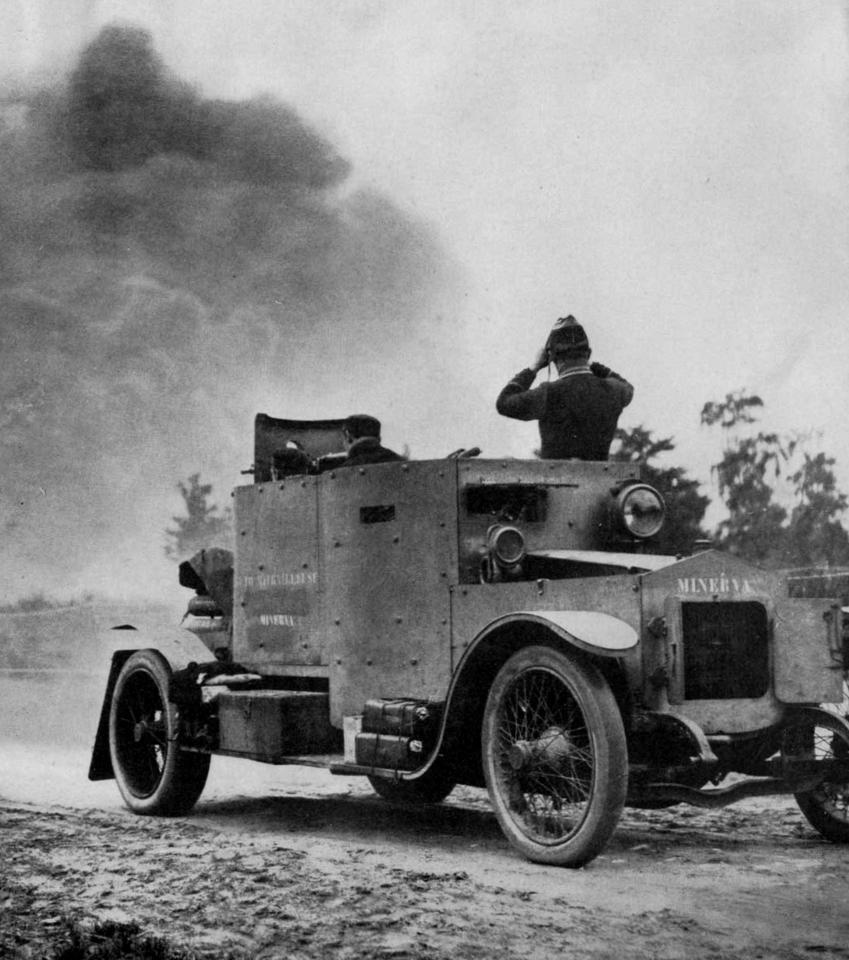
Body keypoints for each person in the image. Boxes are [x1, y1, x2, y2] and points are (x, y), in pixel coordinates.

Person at [496, 315, 633, 460]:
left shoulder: (548, 393)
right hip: (602, 478)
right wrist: (593, 366)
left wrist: (534, 368)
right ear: (589, 353)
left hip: (555, 480)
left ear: (551, 358)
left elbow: (504, 403)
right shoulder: (614, 390)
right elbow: (627, 387)